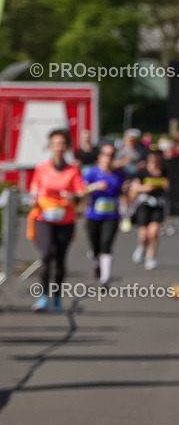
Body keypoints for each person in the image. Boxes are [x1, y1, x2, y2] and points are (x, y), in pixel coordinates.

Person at [29, 128, 87, 311]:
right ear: (50, 146)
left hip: (65, 219)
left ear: (67, 146)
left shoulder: (73, 170)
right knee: (46, 255)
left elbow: (80, 191)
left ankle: (56, 297)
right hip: (43, 217)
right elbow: (35, 187)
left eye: (62, 144)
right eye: (55, 144)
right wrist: (33, 197)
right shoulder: (42, 167)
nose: (58, 147)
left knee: (60, 260)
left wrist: (74, 198)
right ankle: (43, 297)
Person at [81, 141, 128, 287]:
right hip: (93, 215)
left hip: (112, 216)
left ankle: (105, 279)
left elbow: (123, 194)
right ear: (100, 156)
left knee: (106, 244)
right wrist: (95, 186)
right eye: (106, 154)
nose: (108, 158)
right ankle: (96, 262)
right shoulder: (92, 172)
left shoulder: (119, 174)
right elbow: (81, 191)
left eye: (112, 155)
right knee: (95, 247)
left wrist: (126, 215)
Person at [129, 148, 170, 270]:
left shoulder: (165, 171)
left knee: (154, 232)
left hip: (158, 204)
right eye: (152, 156)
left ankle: (150, 257)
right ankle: (141, 246)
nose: (154, 159)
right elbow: (134, 188)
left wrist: (167, 186)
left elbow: (172, 185)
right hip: (144, 204)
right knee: (144, 234)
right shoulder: (142, 171)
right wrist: (144, 188)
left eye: (157, 156)